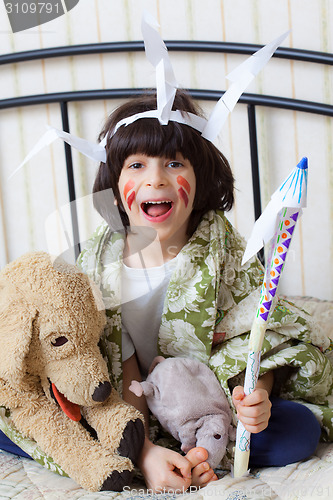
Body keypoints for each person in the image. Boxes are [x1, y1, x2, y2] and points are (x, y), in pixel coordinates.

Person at [1, 89, 332, 492]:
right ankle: (154, 457)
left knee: (297, 430)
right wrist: (144, 450)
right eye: (136, 164)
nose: (154, 179)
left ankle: (195, 452)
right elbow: (105, 361)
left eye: (174, 162)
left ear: (200, 176)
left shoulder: (225, 252)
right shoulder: (95, 266)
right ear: (114, 182)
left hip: (206, 406)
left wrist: (254, 398)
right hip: (123, 403)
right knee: (17, 415)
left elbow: (259, 337)